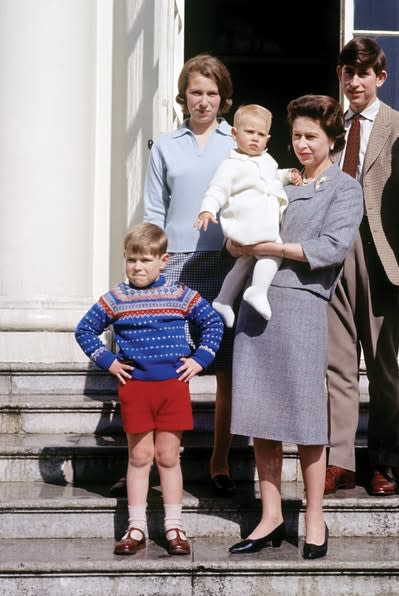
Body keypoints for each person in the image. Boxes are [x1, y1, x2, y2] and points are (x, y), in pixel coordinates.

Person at [226, 95, 363, 560]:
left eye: (311, 137)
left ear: (331, 140)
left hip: (302, 305)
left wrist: (276, 246)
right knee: (260, 415)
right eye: (297, 136)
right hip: (255, 306)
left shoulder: (345, 189)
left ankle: (315, 518)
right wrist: (237, 238)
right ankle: (270, 515)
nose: (302, 145)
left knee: (306, 418)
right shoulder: (276, 177)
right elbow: (243, 216)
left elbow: (331, 247)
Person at [75, 223, 224, 555]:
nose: (137, 267)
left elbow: (212, 322)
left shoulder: (180, 294)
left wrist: (201, 358)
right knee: (140, 456)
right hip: (135, 388)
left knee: (168, 457)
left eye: (145, 260)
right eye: (131, 260)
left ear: (164, 260)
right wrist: (108, 361)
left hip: (172, 387)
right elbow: (85, 329)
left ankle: (174, 527)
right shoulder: (116, 298)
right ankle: (136, 527)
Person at [325, 37, 399, 497]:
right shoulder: (328, 128)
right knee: (337, 364)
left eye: (363, 73)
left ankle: (383, 462)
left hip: (381, 256)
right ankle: (340, 460)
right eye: (348, 72)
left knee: (383, 364)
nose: (355, 81)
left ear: (379, 78)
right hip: (331, 256)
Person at [143, 53, 237, 497]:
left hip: (227, 261)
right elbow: (153, 212)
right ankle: (164, 457)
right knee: (167, 366)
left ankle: (220, 460)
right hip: (176, 262)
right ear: (184, 97)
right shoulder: (164, 146)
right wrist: (154, 269)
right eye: (196, 92)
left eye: (211, 93)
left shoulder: (238, 143)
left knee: (224, 366)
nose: (203, 101)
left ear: (224, 99)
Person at [195, 104, 301, 326]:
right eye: (249, 132)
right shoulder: (230, 165)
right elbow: (217, 190)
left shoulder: (267, 160)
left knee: (244, 262)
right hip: (248, 224)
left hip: (257, 224)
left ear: (268, 139)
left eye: (260, 134)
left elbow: (272, 177)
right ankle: (258, 290)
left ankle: (224, 299)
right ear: (234, 134)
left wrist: (288, 175)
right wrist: (207, 209)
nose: (255, 138)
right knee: (273, 254)